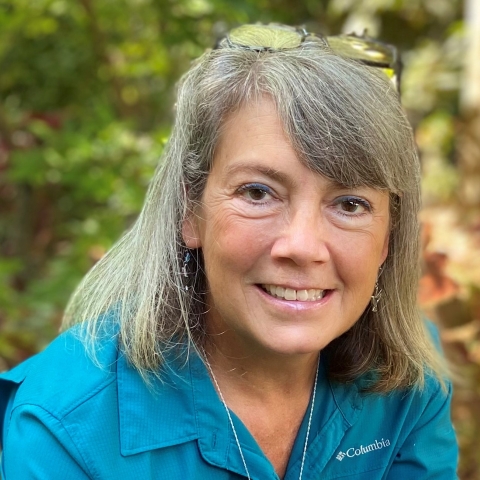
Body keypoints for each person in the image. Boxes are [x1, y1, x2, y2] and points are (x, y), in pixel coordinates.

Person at [0, 23, 458, 479]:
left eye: (351, 204)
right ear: (189, 212)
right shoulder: (65, 426)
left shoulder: (411, 373)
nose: (301, 246)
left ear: (389, 238)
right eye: (258, 193)